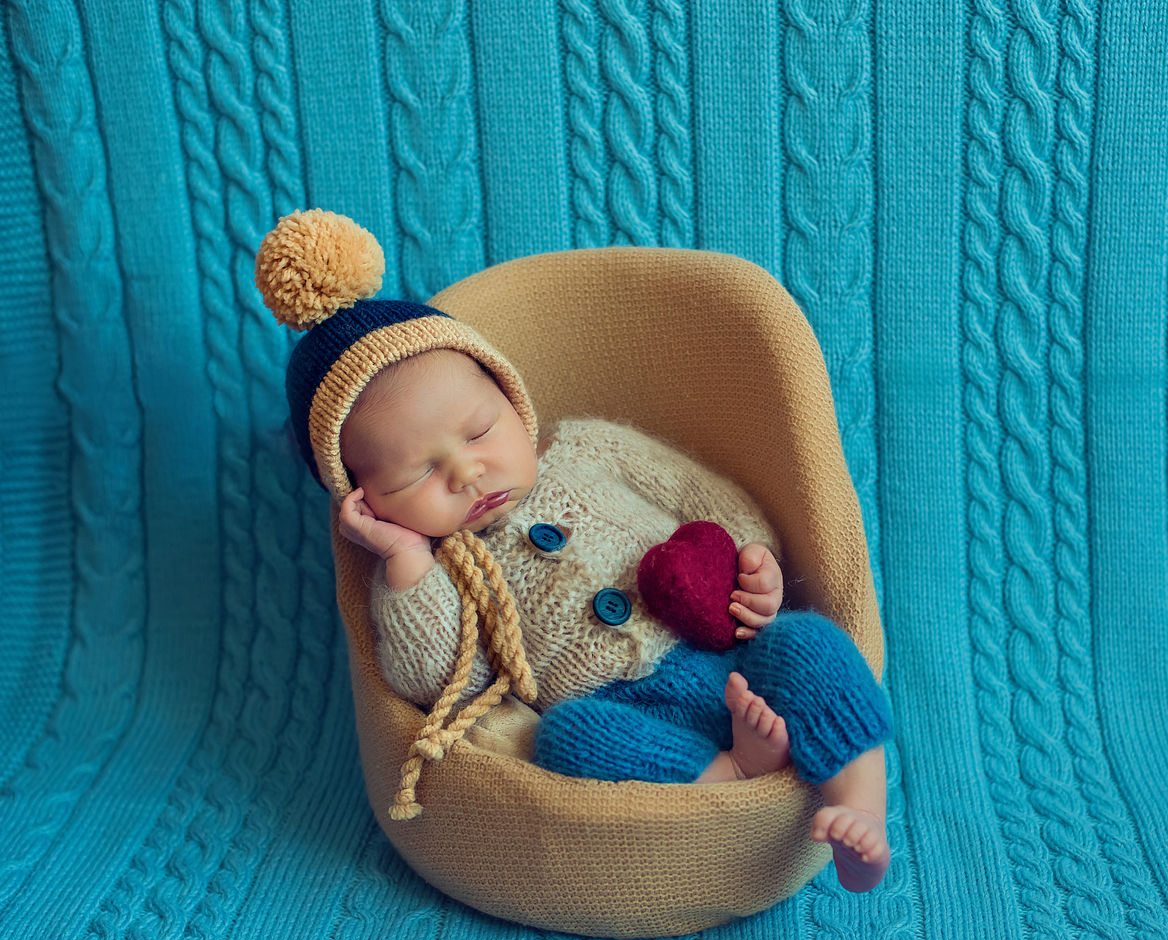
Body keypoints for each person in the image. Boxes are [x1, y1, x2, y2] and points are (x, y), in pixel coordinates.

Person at [256, 209, 893, 892]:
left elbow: (700, 495)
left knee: (807, 643)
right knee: (567, 739)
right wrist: (402, 555)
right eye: (417, 475)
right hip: (626, 709)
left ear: (514, 399)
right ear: (365, 501)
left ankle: (860, 811)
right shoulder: (435, 570)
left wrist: (752, 560)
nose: (465, 474)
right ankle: (730, 773)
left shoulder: (588, 445)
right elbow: (445, 678)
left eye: (477, 431)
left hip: (726, 641)